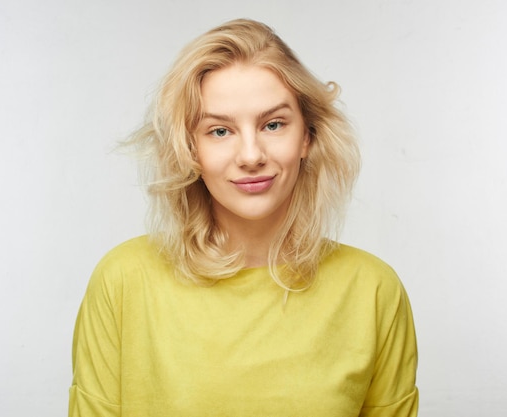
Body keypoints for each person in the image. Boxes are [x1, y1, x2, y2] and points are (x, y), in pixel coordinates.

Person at [69, 18, 418, 417]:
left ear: (308, 136)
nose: (251, 155)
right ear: (189, 149)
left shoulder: (373, 291)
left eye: (273, 124)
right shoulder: (123, 281)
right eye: (220, 131)